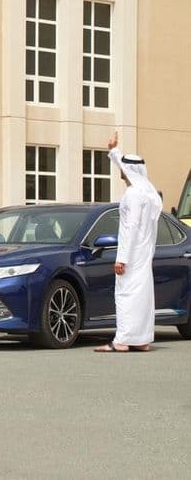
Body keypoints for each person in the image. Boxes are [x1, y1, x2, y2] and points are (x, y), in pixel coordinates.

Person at [95, 131, 162, 353]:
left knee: (125, 296)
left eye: (124, 168)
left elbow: (130, 228)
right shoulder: (147, 192)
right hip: (143, 253)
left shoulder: (133, 194)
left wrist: (121, 258)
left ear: (130, 171)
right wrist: (113, 150)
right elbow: (126, 166)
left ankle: (121, 341)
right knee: (141, 296)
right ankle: (141, 339)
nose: (121, 171)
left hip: (132, 254)